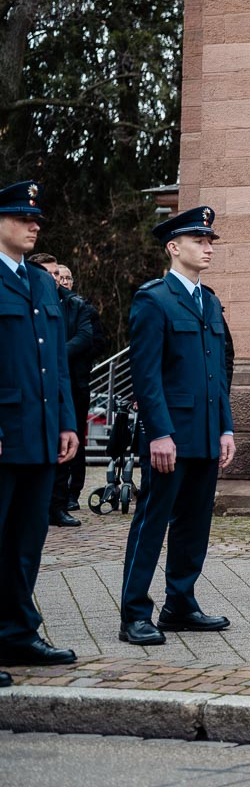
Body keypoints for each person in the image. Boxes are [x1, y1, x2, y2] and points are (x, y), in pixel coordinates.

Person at [118, 207, 236, 646]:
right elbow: (146, 375)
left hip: (206, 432)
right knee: (152, 522)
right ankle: (134, 613)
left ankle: (180, 603)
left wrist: (226, 428)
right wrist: (159, 433)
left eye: (210, 242)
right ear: (173, 247)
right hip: (171, 435)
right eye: (199, 241)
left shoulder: (209, 300)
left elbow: (218, 374)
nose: (208, 248)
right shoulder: (155, 298)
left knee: (194, 524)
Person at [0, 181, 80, 679]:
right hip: (5, 429)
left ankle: (16, 632)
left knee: (26, 539)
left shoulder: (42, 282)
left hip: (41, 430)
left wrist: (68, 421)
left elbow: (57, 362)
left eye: (38, 221)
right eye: (22, 218)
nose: (34, 226)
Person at [31, 253, 99, 526]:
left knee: (67, 443)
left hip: (69, 382)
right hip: (34, 385)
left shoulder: (75, 304)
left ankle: (59, 504)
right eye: (48, 274)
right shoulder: (27, 300)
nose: (54, 279)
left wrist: (52, 353)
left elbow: (85, 337)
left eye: (56, 274)